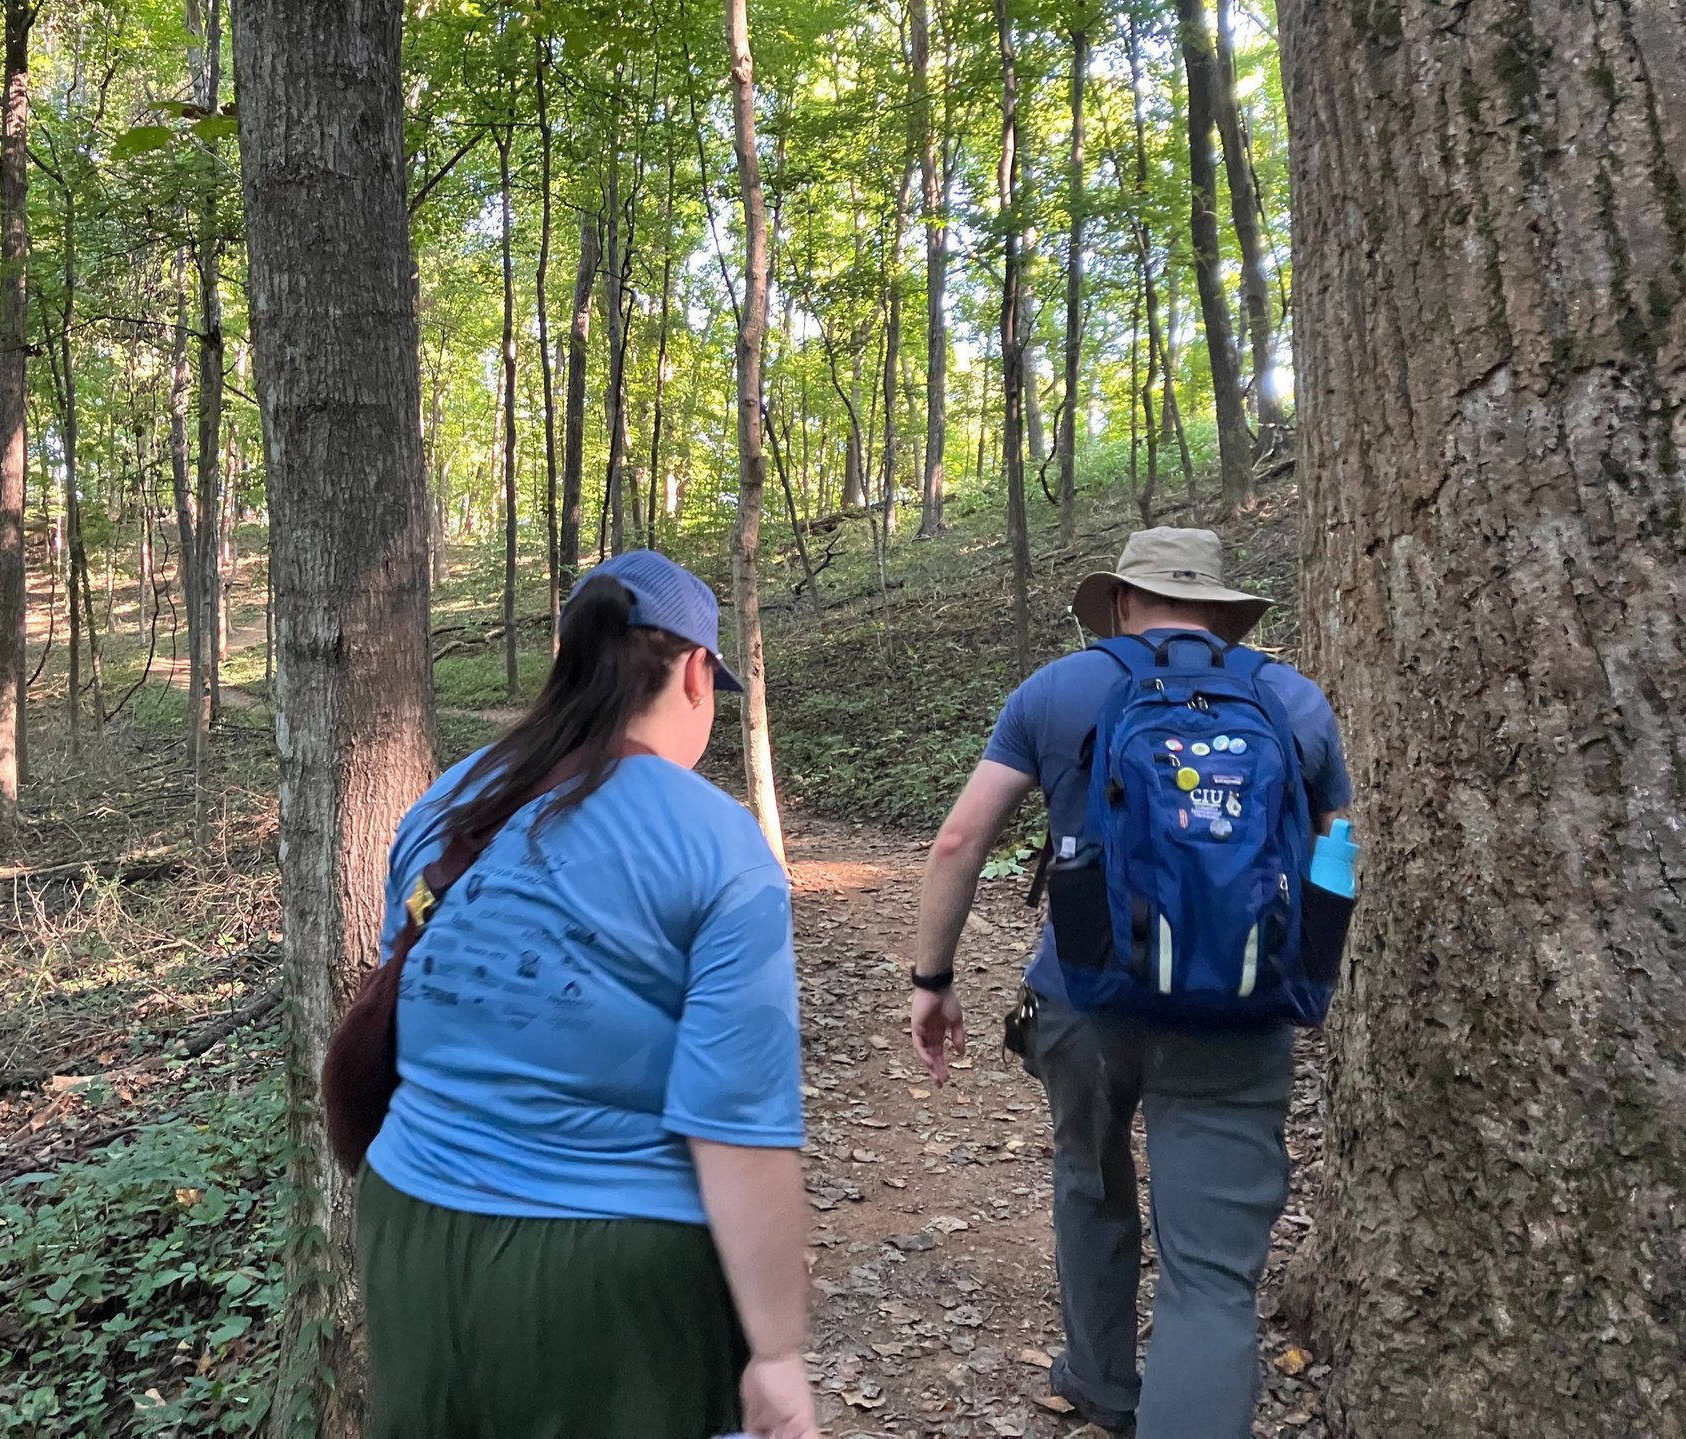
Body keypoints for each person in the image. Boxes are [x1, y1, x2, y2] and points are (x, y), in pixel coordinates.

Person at [358, 549, 821, 1439]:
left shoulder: (448, 801)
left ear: (568, 655)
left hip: (410, 1229)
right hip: (614, 1273)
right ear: (695, 674)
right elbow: (737, 1125)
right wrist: (776, 1351)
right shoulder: (717, 843)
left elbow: (408, 1002)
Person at [907, 528, 1352, 1439]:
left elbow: (960, 840)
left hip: (1083, 1000)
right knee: (1210, 1280)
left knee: (1088, 1175)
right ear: (1227, 612)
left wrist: (933, 977)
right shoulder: (1293, 701)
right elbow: (1334, 857)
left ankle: (1104, 1384)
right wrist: (1306, 983)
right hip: (1242, 1011)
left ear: (1118, 602)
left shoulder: (1059, 691)